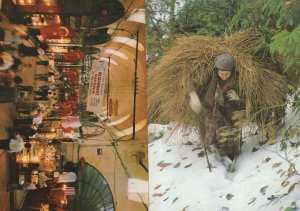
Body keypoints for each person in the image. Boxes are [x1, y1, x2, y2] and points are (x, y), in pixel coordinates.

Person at [188, 54, 244, 171]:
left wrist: (238, 97)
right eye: (222, 73)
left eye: (227, 73)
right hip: (211, 107)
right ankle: (218, 150)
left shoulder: (237, 79)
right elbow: (191, 81)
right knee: (215, 127)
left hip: (230, 109)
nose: (224, 76)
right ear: (216, 70)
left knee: (230, 133)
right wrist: (193, 96)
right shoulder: (209, 76)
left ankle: (231, 153)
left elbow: (247, 97)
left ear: (232, 72)